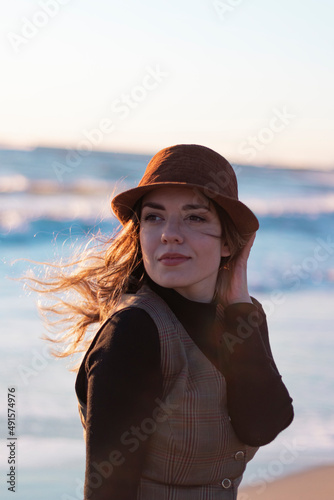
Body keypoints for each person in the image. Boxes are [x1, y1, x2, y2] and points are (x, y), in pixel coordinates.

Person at [33, 144, 294, 499]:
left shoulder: (242, 316)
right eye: (154, 217)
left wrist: (239, 306)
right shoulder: (134, 333)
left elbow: (261, 425)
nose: (169, 233)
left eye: (195, 217)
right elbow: (109, 491)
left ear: (228, 243)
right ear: (139, 234)